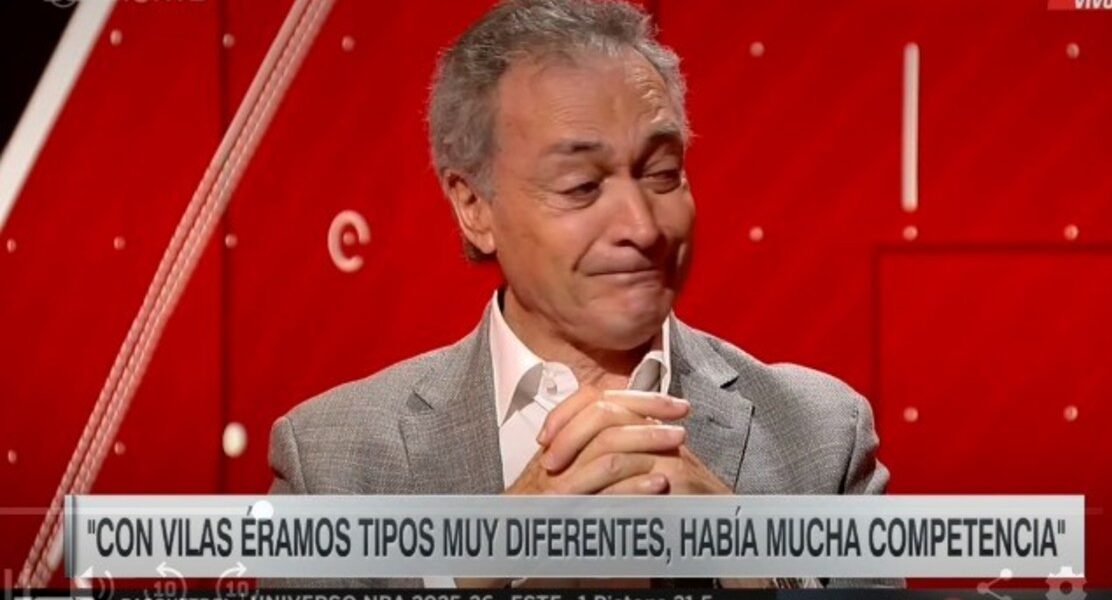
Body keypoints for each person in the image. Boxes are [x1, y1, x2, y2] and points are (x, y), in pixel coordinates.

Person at [269, 0, 895, 589]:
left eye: (662, 174)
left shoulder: (821, 434)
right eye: (580, 186)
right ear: (474, 206)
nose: (642, 227)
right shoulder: (333, 461)